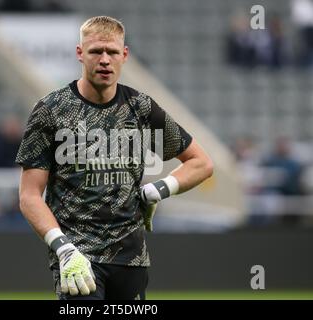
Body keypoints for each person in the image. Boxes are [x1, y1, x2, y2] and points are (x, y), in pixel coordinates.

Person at [16, 16, 213, 300]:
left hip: (131, 259)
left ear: (125, 55)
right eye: (96, 51)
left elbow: (201, 163)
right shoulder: (51, 110)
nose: (105, 60)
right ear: (80, 54)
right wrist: (63, 248)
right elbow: (29, 195)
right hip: (78, 258)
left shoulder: (141, 107)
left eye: (112, 52)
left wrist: (154, 191)